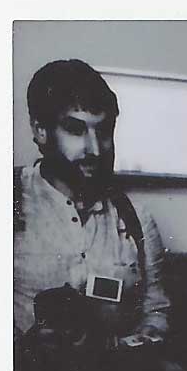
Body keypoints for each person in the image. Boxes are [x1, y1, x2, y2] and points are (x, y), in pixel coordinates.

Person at [14, 59, 169, 354]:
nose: (95, 149)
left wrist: (130, 344)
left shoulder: (136, 218)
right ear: (41, 130)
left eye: (104, 131)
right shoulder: (5, 204)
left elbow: (157, 313)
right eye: (76, 130)